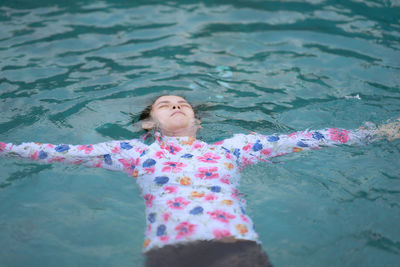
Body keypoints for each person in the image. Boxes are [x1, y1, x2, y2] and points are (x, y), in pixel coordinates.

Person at [1, 95, 399, 267]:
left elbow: (306, 139)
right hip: (169, 253)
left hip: (236, 247)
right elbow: (56, 150)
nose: (176, 106)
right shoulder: (132, 151)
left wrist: (379, 132)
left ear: (197, 120)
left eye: (183, 103)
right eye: (164, 104)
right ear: (148, 122)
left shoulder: (233, 148)